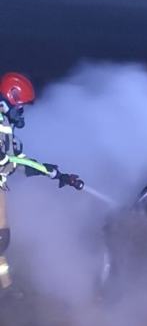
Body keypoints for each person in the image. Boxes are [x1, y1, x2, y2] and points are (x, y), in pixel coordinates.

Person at [0, 72, 83, 287]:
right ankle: (5, 287)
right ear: (11, 98)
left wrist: (56, 174)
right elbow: (8, 162)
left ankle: (5, 287)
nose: (22, 111)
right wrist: (50, 172)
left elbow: (18, 163)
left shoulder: (6, 127)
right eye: (21, 106)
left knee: (1, 240)